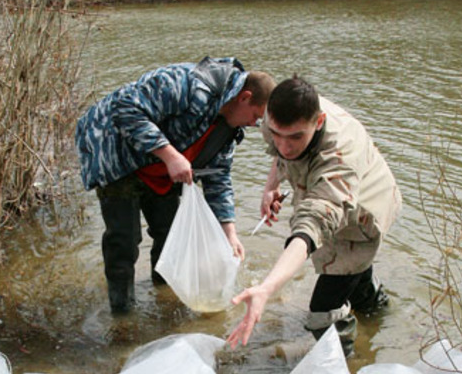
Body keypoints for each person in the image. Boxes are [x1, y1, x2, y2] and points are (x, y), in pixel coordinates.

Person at [76, 57, 275, 314]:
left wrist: (230, 232)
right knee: (124, 240)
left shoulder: (229, 131)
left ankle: (165, 301)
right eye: (256, 117)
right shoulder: (188, 83)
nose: (253, 124)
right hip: (117, 156)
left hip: (163, 171)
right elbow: (124, 108)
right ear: (245, 98)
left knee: (170, 235)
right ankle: (122, 314)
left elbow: (219, 178)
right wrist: (170, 154)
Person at [226, 76, 401, 355]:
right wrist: (272, 186)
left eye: (295, 137)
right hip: (323, 196)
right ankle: (379, 316)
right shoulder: (279, 119)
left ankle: (349, 366)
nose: (284, 146)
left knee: (323, 311)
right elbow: (281, 153)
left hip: (363, 211)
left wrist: (266, 289)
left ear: (318, 122)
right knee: (355, 280)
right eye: (276, 134)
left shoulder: (340, 156)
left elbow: (311, 227)